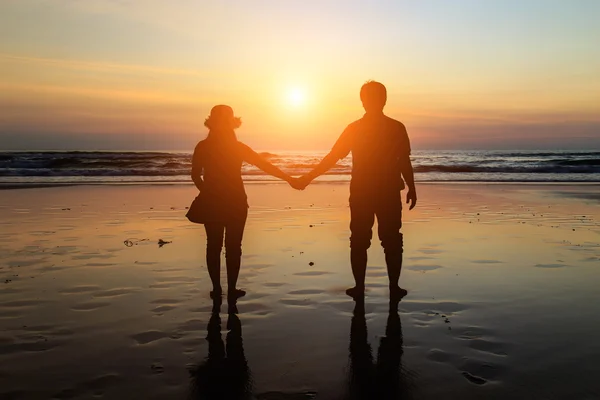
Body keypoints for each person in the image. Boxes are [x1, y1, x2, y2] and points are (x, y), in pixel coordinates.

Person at [294, 81, 417, 300]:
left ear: (363, 101)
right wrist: (411, 187)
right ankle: (391, 288)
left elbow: (333, 157)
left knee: (363, 240)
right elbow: (404, 162)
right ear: (382, 99)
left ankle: (362, 287)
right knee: (388, 240)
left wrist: (308, 177)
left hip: (366, 191)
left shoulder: (359, 128)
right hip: (380, 191)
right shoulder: (393, 127)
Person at [191, 105, 294, 298]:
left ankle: (218, 289)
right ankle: (231, 290)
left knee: (213, 245)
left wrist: (208, 193)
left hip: (215, 202)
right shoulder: (237, 148)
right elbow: (265, 166)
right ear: (232, 124)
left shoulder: (203, 146)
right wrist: (289, 179)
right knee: (233, 246)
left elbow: (195, 176)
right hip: (236, 201)